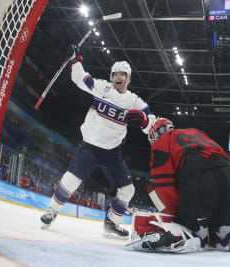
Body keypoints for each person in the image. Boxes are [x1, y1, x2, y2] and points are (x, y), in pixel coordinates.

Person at [128, 118, 230, 253]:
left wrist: (178, 214)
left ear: (157, 132)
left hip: (201, 182)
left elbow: (163, 182)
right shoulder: (197, 133)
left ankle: (176, 237)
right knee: (226, 234)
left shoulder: (162, 141)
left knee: (196, 233)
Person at [40, 44, 156, 239]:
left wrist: (145, 121)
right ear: (112, 77)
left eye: (122, 75)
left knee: (128, 190)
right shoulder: (102, 87)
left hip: (113, 152)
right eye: (115, 74)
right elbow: (79, 78)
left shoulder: (134, 101)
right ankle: (51, 211)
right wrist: (75, 60)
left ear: (128, 79)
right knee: (70, 180)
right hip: (90, 147)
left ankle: (111, 224)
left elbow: (150, 121)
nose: (118, 77)